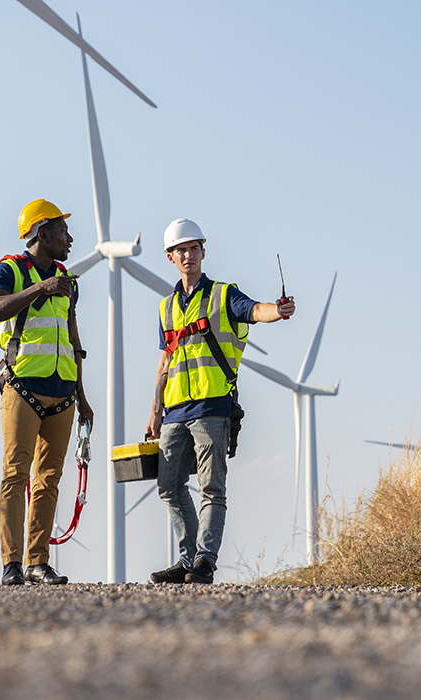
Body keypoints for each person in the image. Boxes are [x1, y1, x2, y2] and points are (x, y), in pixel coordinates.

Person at [145, 218, 295, 584]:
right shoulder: (166, 308)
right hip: (174, 412)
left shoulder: (224, 294)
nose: (188, 255)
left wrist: (278, 310)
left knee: (212, 488)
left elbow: (255, 310)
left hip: (212, 408)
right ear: (170, 257)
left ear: (203, 252)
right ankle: (188, 557)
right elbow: (165, 361)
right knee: (169, 486)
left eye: (194, 248)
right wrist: (154, 412)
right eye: (181, 250)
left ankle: (204, 561)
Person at [0, 199, 95, 586]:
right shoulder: (10, 270)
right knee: (15, 475)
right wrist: (40, 287)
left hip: (63, 392)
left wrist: (82, 396)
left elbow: (73, 337)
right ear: (42, 233)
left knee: (49, 480)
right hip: (22, 387)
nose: (70, 238)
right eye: (63, 231)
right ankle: (11, 563)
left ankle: (37, 561)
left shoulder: (69, 279)